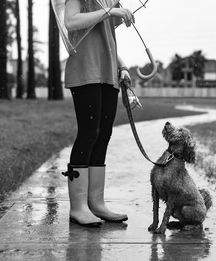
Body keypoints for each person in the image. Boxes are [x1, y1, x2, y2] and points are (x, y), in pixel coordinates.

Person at [61, 0, 135, 227]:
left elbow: (106, 39)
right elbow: (71, 22)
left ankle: (96, 202)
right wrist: (109, 11)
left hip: (108, 71)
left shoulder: (108, 0)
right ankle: (78, 207)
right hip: (85, 68)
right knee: (89, 133)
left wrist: (121, 64)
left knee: (103, 135)